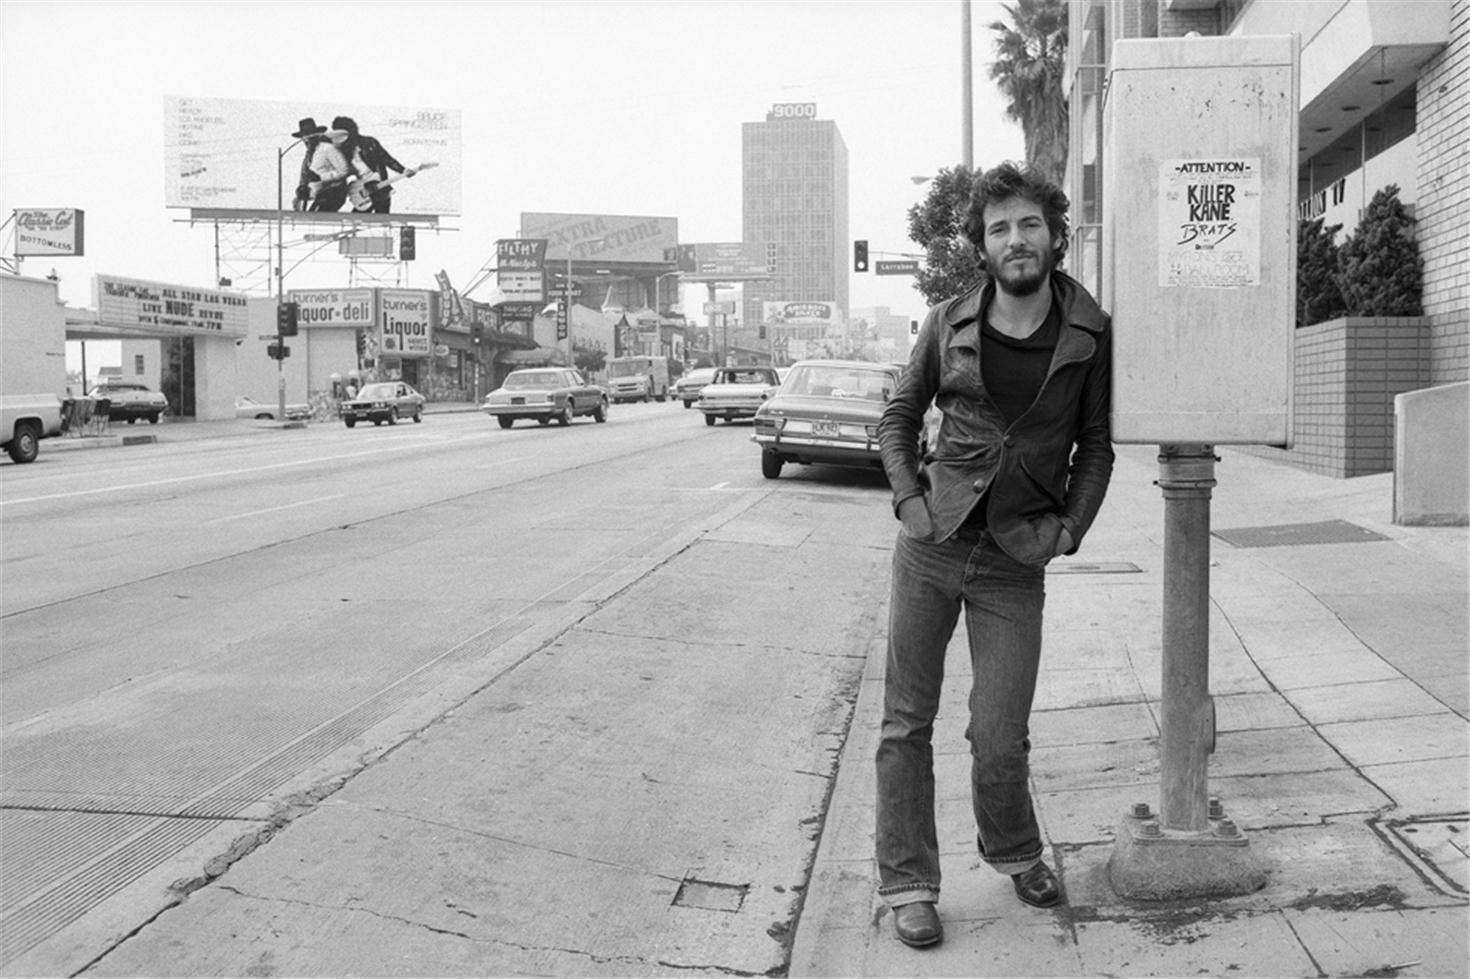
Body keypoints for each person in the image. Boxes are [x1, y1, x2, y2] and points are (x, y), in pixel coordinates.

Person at [873, 161, 1114, 948]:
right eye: (1000, 228)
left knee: (998, 733)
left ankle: (1013, 850)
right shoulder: (947, 321)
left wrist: (1070, 528)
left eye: (1030, 225)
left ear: (1054, 237)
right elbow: (899, 415)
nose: (1016, 240)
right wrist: (911, 501)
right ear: (984, 245)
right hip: (934, 545)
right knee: (906, 723)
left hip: (1016, 559)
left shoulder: (1089, 330)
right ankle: (909, 883)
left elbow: (1098, 446)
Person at [331, 115, 415, 214]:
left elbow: (387, 159)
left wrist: (403, 170)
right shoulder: (343, 151)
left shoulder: (369, 143)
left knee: (382, 221)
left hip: (379, 187)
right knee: (355, 220)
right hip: (363, 190)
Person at [290, 118, 328, 211]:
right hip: (318, 194)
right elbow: (304, 179)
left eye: (310, 137)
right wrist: (299, 196)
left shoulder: (326, 149)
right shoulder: (308, 157)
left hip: (330, 193)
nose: (306, 141)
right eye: (304, 138)